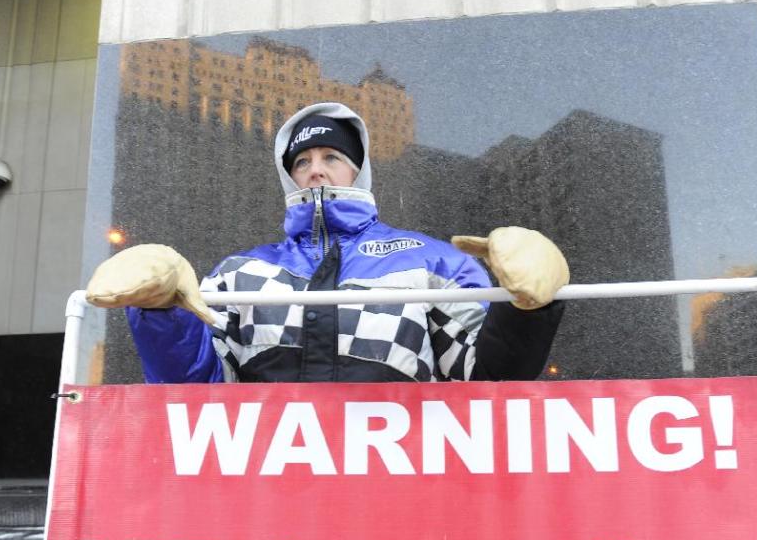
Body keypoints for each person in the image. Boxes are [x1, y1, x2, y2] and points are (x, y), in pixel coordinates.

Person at [86, 102, 569, 383]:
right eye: (302, 161)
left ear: (358, 170)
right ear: (289, 177)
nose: (315, 168)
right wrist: (160, 314)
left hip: (402, 495)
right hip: (264, 497)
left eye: (331, 155)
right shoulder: (241, 273)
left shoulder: (432, 261)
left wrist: (525, 313)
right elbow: (195, 391)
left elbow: (482, 383)